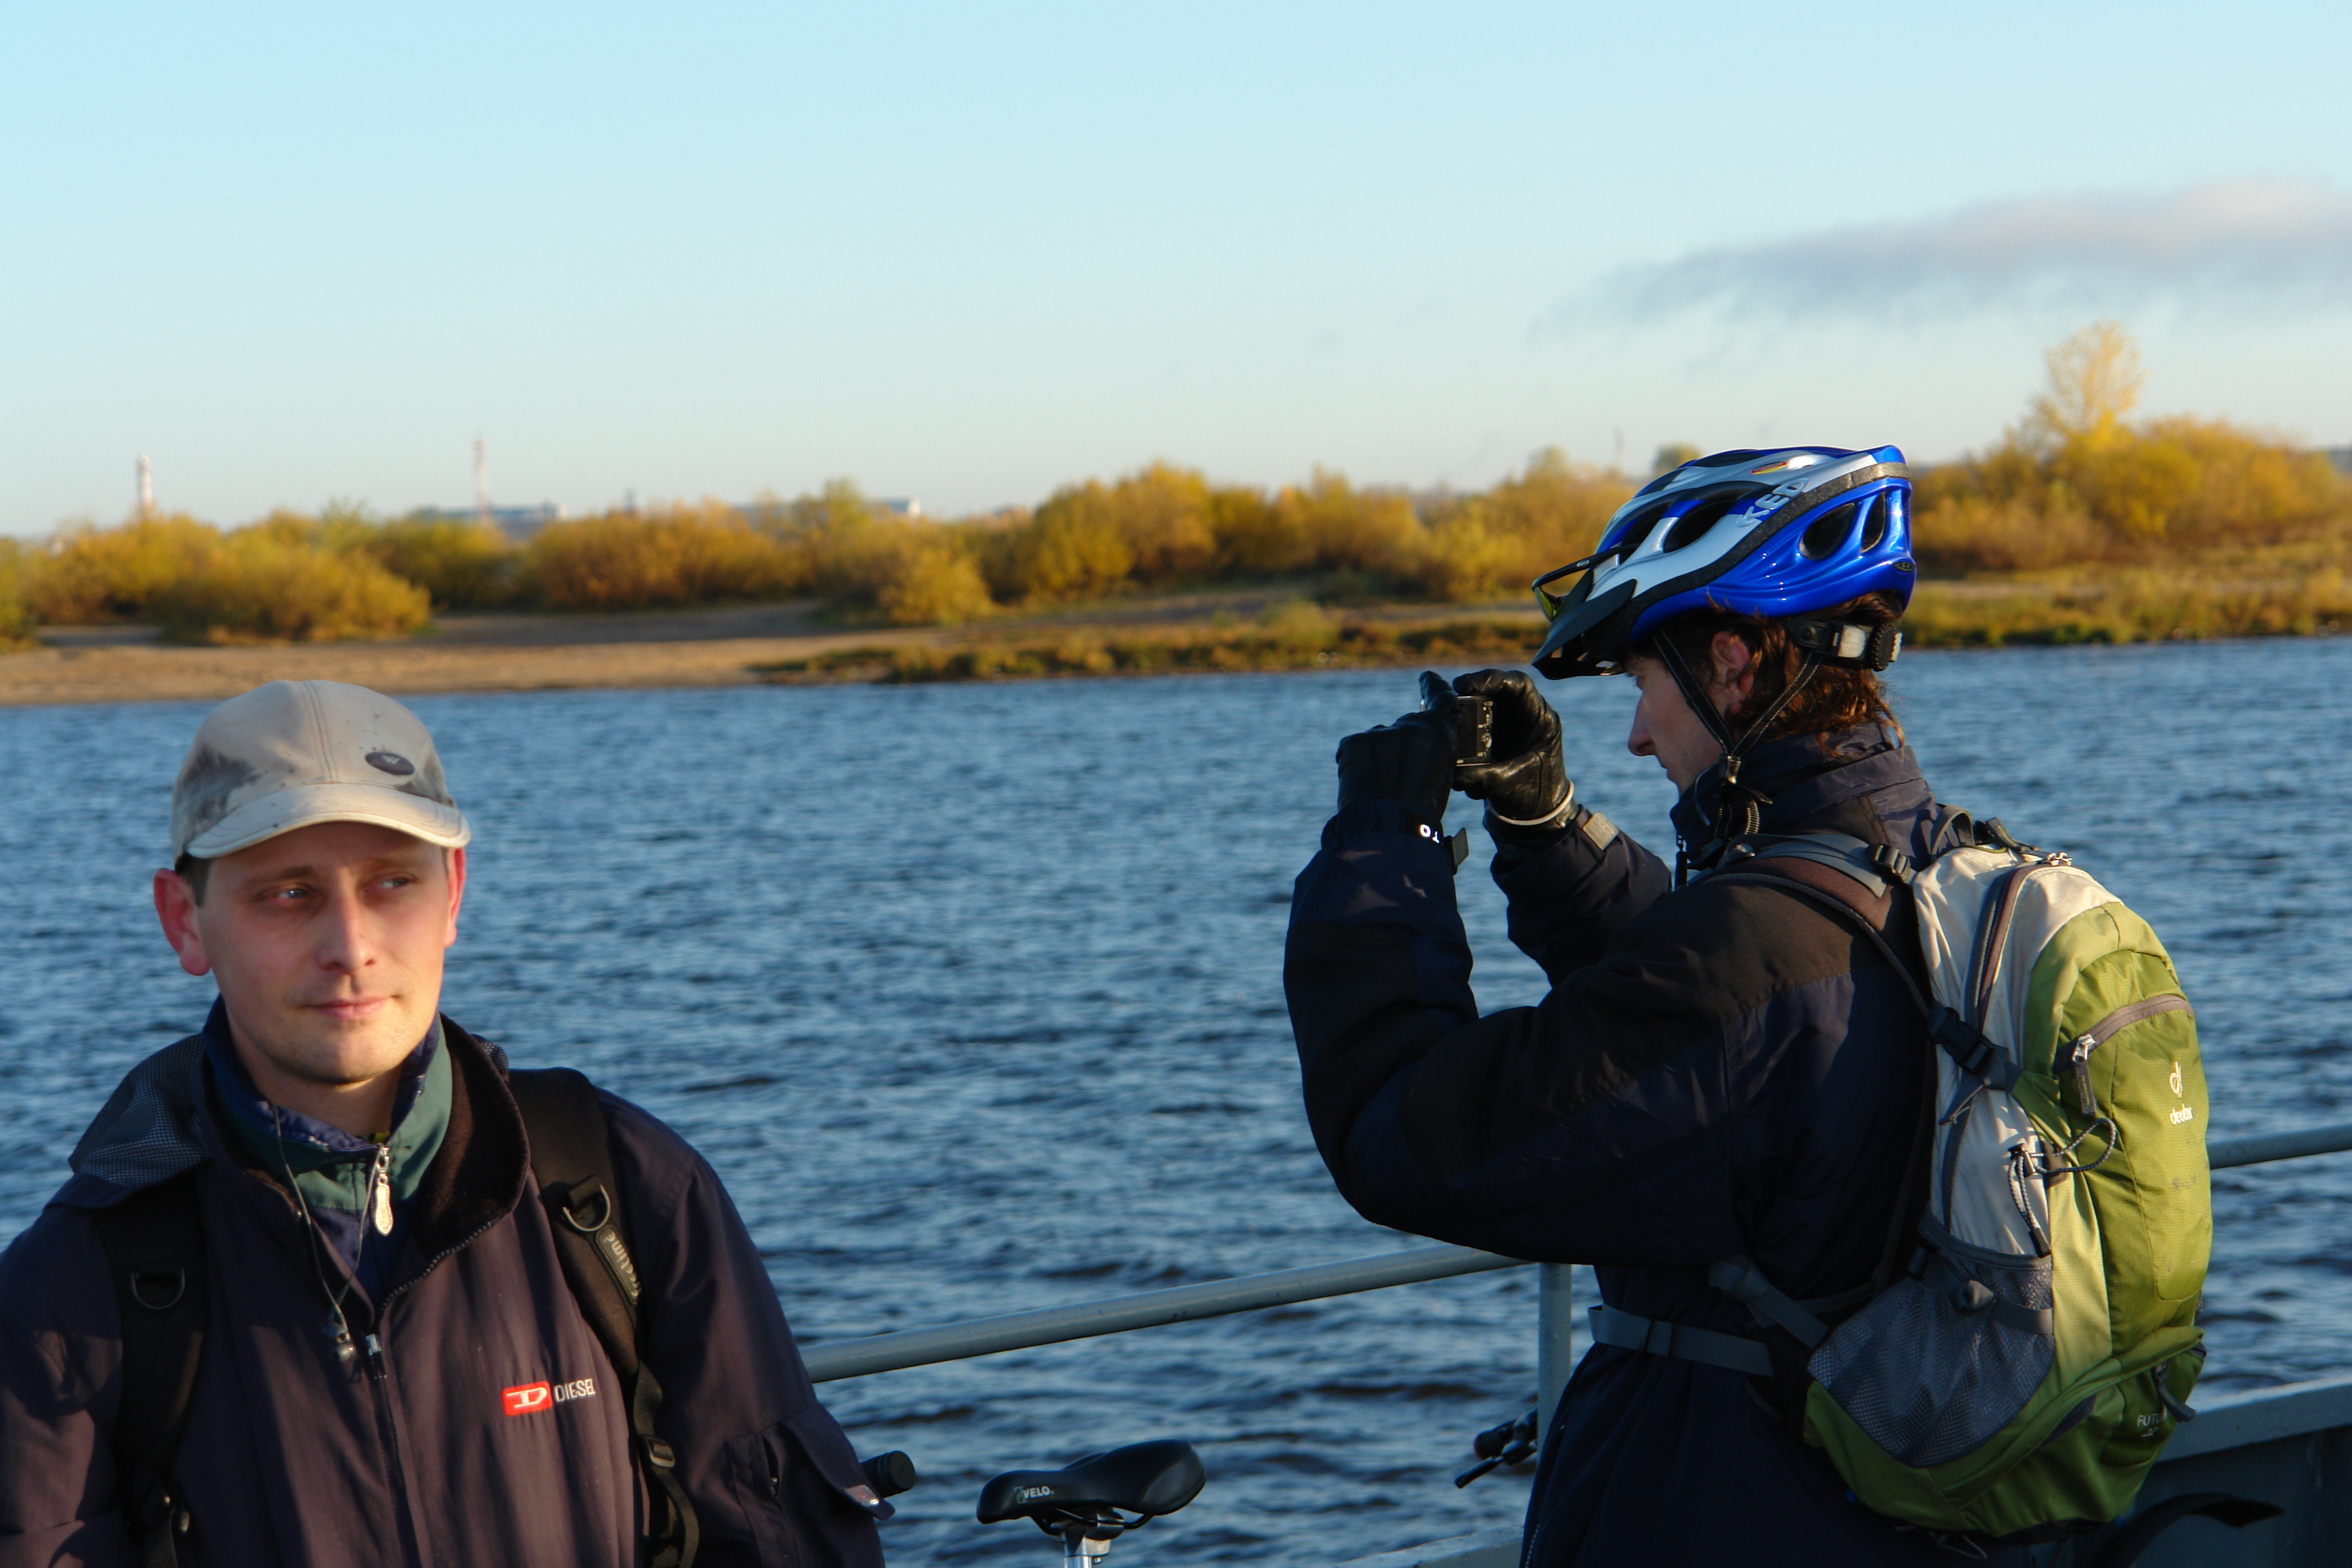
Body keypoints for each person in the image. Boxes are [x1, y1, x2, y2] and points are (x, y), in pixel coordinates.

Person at [1285, 447, 2030, 1565]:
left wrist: (1385, 843)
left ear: (1731, 663)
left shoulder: (1759, 952)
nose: (1636, 733)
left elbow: (1397, 1131)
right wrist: (1545, 826)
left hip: (1739, 1508)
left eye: (1644, 683)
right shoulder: (1945, 872)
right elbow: (1717, 1001)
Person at [0, 680, 888, 1568]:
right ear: (184, 920)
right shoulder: (75, 1282)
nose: (351, 946)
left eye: (392, 882)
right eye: (287, 893)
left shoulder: (621, 1187)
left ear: (453, 894)